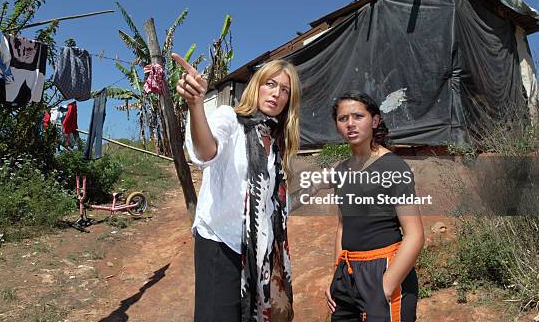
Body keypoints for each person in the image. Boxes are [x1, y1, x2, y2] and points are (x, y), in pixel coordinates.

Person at [172, 53, 301, 322]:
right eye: (270, 84)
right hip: (221, 243)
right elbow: (207, 150)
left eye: (284, 90)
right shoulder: (230, 118)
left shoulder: (275, 143)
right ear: (257, 86)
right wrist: (196, 105)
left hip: (257, 254)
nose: (276, 93)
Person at [325, 90, 424, 322]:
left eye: (358, 116)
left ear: (375, 121)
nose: (350, 124)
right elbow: (342, 226)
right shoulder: (341, 171)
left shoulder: (394, 167)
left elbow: (415, 235)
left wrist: (385, 287)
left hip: (384, 270)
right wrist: (337, 276)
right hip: (347, 275)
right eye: (343, 119)